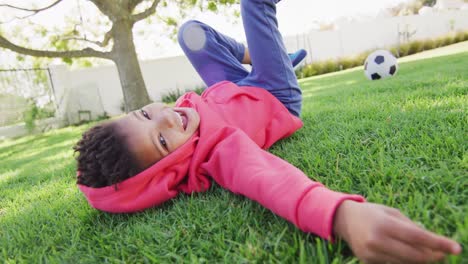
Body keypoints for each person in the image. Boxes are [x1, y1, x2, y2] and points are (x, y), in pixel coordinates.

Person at [74, 0, 462, 262]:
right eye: (161, 141)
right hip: (275, 95)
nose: (167, 118)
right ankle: (276, 64)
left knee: (189, 32)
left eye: (145, 114)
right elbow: (268, 180)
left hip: (234, 86)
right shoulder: (217, 152)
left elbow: (172, 114)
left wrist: (236, 79)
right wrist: (341, 215)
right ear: (170, 171)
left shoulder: (182, 115)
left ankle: (264, 56)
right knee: (254, 4)